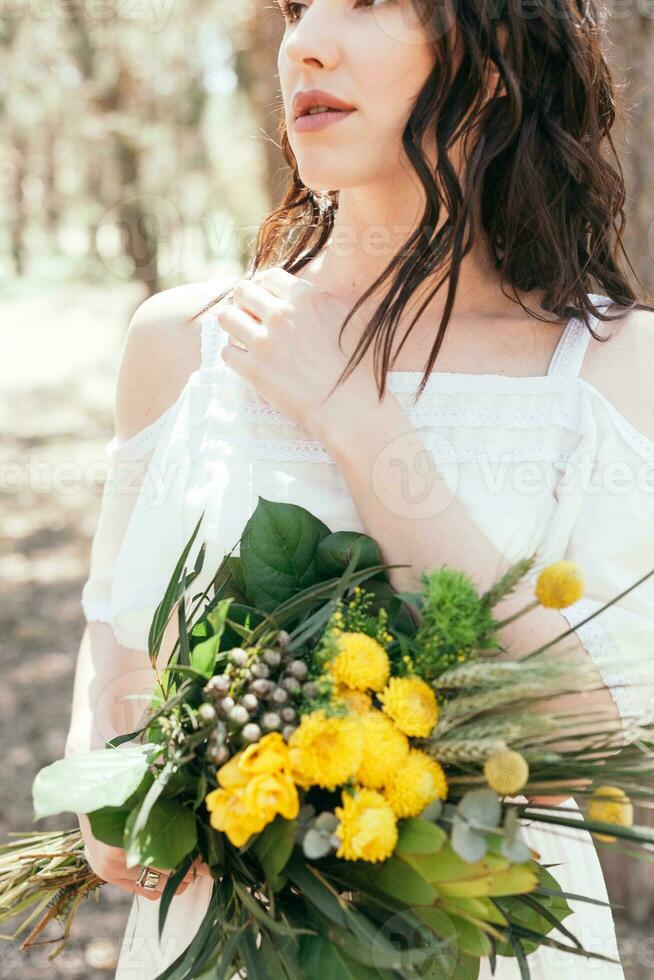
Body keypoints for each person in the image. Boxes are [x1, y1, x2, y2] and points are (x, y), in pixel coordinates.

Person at [64, 0, 654, 976]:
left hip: (495, 947)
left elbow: (589, 736)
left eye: (371, 1)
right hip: (211, 937)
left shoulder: (609, 371)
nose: (307, 42)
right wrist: (110, 764)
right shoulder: (182, 341)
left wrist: (356, 417)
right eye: (300, 8)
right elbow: (114, 618)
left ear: (502, 50)